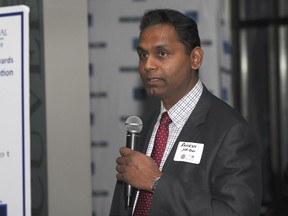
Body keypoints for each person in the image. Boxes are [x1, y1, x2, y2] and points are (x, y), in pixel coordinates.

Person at [109, 9, 262, 216]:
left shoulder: (231, 132)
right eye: (143, 54)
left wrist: (157, 182)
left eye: (161, 53)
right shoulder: (143, 129)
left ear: (195, 58)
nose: (148, 65)